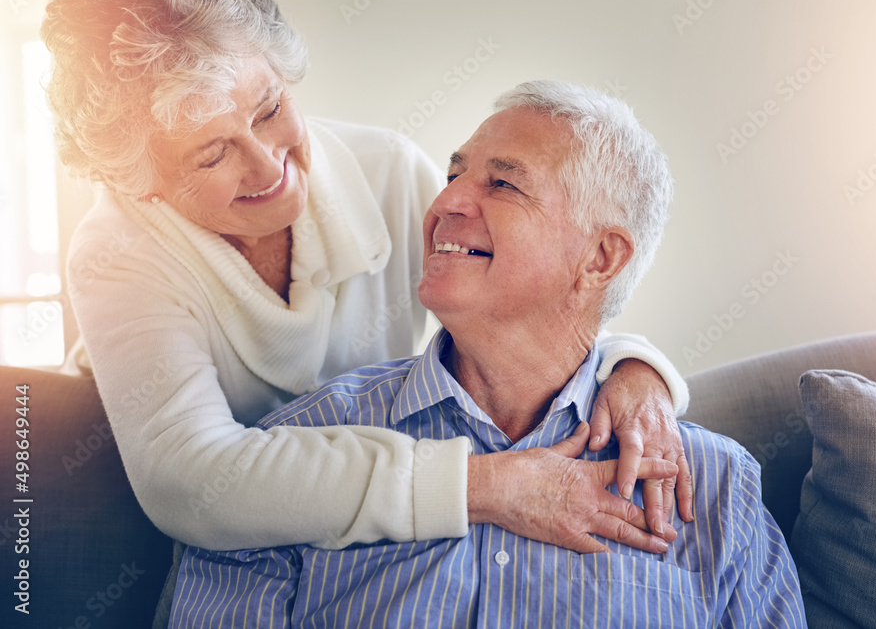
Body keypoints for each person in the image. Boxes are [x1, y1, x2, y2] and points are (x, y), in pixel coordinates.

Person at [41, 0, 695, 615]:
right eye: (212, 154)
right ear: (140, 181)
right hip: (152, 506)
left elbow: (526, 298)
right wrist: (488, 484)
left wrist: (636, 367)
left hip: (353, 515)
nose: (269, 165)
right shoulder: (116, 251)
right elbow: (195, 482)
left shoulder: (387, 175)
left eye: (270, 110)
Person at [169, 81, 806, 628]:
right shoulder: (291, 456)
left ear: (600, 258)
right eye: (452, 176)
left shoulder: (714, 487)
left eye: (502, 184)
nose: (444, 202)